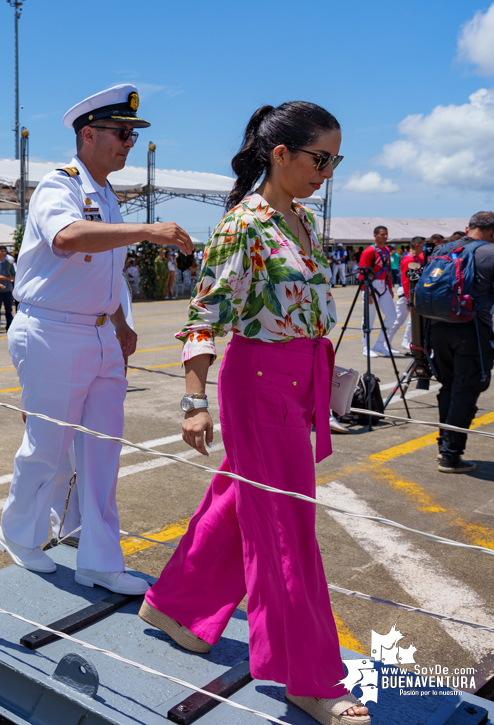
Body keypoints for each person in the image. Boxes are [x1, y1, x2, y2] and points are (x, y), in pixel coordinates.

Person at [145, 102, 369, 725]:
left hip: (300, 381)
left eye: (335, 159)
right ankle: (310, 678)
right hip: (260, 382)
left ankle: (174, 605)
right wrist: (194, 400)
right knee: (287, 528)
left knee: (242, 499)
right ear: (280, 155)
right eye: (320, 158)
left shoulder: (303, 219)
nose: (328, 170)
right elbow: (204, 314)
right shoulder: (243, 223)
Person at [0, 84, 193, 595]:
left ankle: (98, 557)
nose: (129, 143)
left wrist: (122, 323)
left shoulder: (107, 196)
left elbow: (106, 271)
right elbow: (66, 238)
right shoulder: (57, 185)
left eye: (132, 135)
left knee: (103, 449)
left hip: (101, 334)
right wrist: (149, 232)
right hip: (52, 331)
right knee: (49, 446)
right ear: (88, 134)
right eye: (121, 133)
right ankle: (18, 535)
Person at [425, 212, 494, 473]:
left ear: (469, 228)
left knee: (449, 386)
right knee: (466, 390)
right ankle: (451, 456)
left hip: (436, 327)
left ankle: (444, 446)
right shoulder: (489, 252)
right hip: (471, 330)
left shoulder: (443, 248)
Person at [358, 226, 398, 357]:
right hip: (371, 286)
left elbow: (388, 270)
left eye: (386, 234)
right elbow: (362, 273)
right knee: (369, 319)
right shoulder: (369, 251)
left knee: (392, 315)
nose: (385, 237)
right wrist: (367, 291)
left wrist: (390, 287)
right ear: (375, 235)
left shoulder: (387, 250)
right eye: (382, 234)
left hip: (383, 286)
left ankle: (380, 344)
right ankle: (366, 347)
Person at [399, 236, 427, 352]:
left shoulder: (418, 258)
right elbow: (406, 281)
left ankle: (406, 340)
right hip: (407, 293)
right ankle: (383, 343)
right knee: (397, 320)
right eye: (423, 245)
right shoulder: (409, 260)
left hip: (413, 293)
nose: (425, 248)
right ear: (417, 245)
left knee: (412, 320)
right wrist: (409, 298)